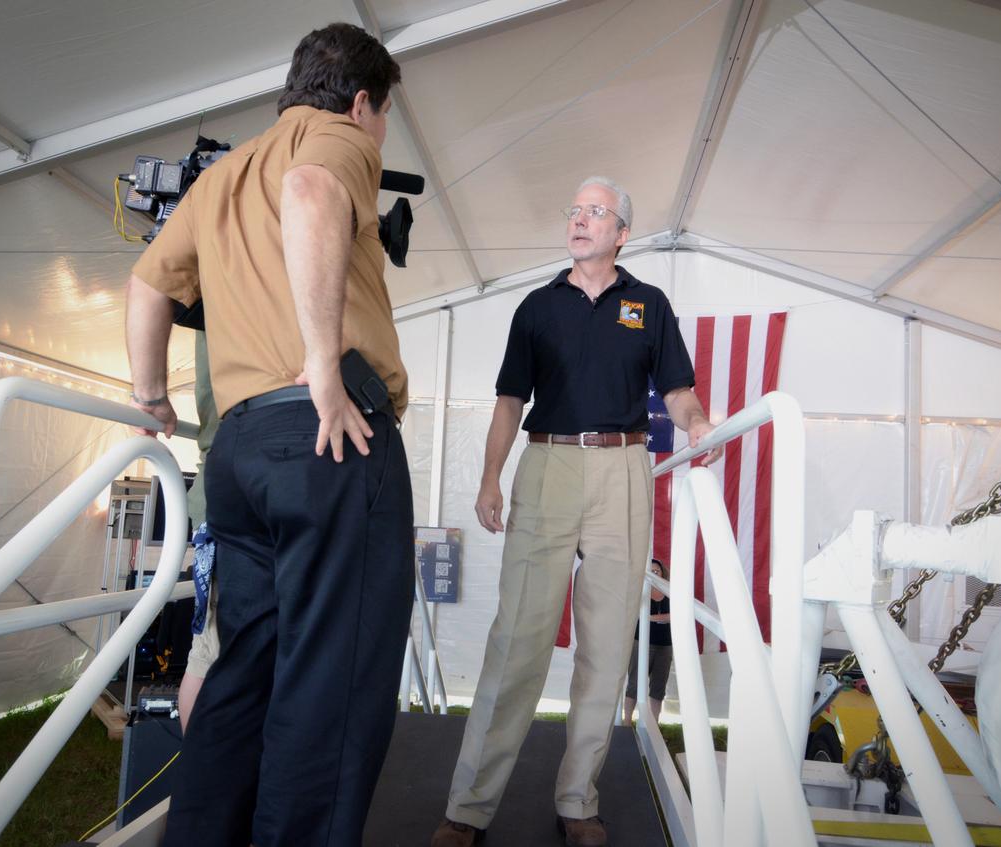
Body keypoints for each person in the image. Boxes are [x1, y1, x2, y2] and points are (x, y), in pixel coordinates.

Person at [124, 22, 414, 847]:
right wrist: (324, 363)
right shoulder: (337, 139)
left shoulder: (220, 178)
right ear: (362, 102)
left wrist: (151, 394)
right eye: (383, 116)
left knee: (242, 676)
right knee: (335, 682)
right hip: (326, 435)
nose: (379, 132)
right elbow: (314, 195)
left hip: (240, 448)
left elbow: (147, 284)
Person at [431, 177, 721, 847]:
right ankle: (466, 808)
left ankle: (577, 801)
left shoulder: (648, 304)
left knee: (607, 640)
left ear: (621, 232)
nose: (580, 219)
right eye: (574, 210)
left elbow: (677, 390)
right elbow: (509, 399)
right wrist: (488, 478)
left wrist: (699, 424)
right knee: (516, 639)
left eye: (596, 212)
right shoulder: (537, 306)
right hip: (547, 463)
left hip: (623, 467)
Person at [177, 331, 219, 733]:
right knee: (208, 651)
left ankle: (202, 774)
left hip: (222, 483)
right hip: (227, 491)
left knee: (209, 649)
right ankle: (200, 774)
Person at [623, 559, 672, 724]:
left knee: (658, 687)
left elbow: (675, 615)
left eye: (656, 571)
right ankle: (627, 721)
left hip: (665, 646)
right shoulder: (639, 591)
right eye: (650, 571)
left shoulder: (670, 590)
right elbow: (633, 613)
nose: (653, 574)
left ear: (662, 573)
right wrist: (657, 618)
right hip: (641, 643)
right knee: (634, 683)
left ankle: (653, 724)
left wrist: (649, 617)